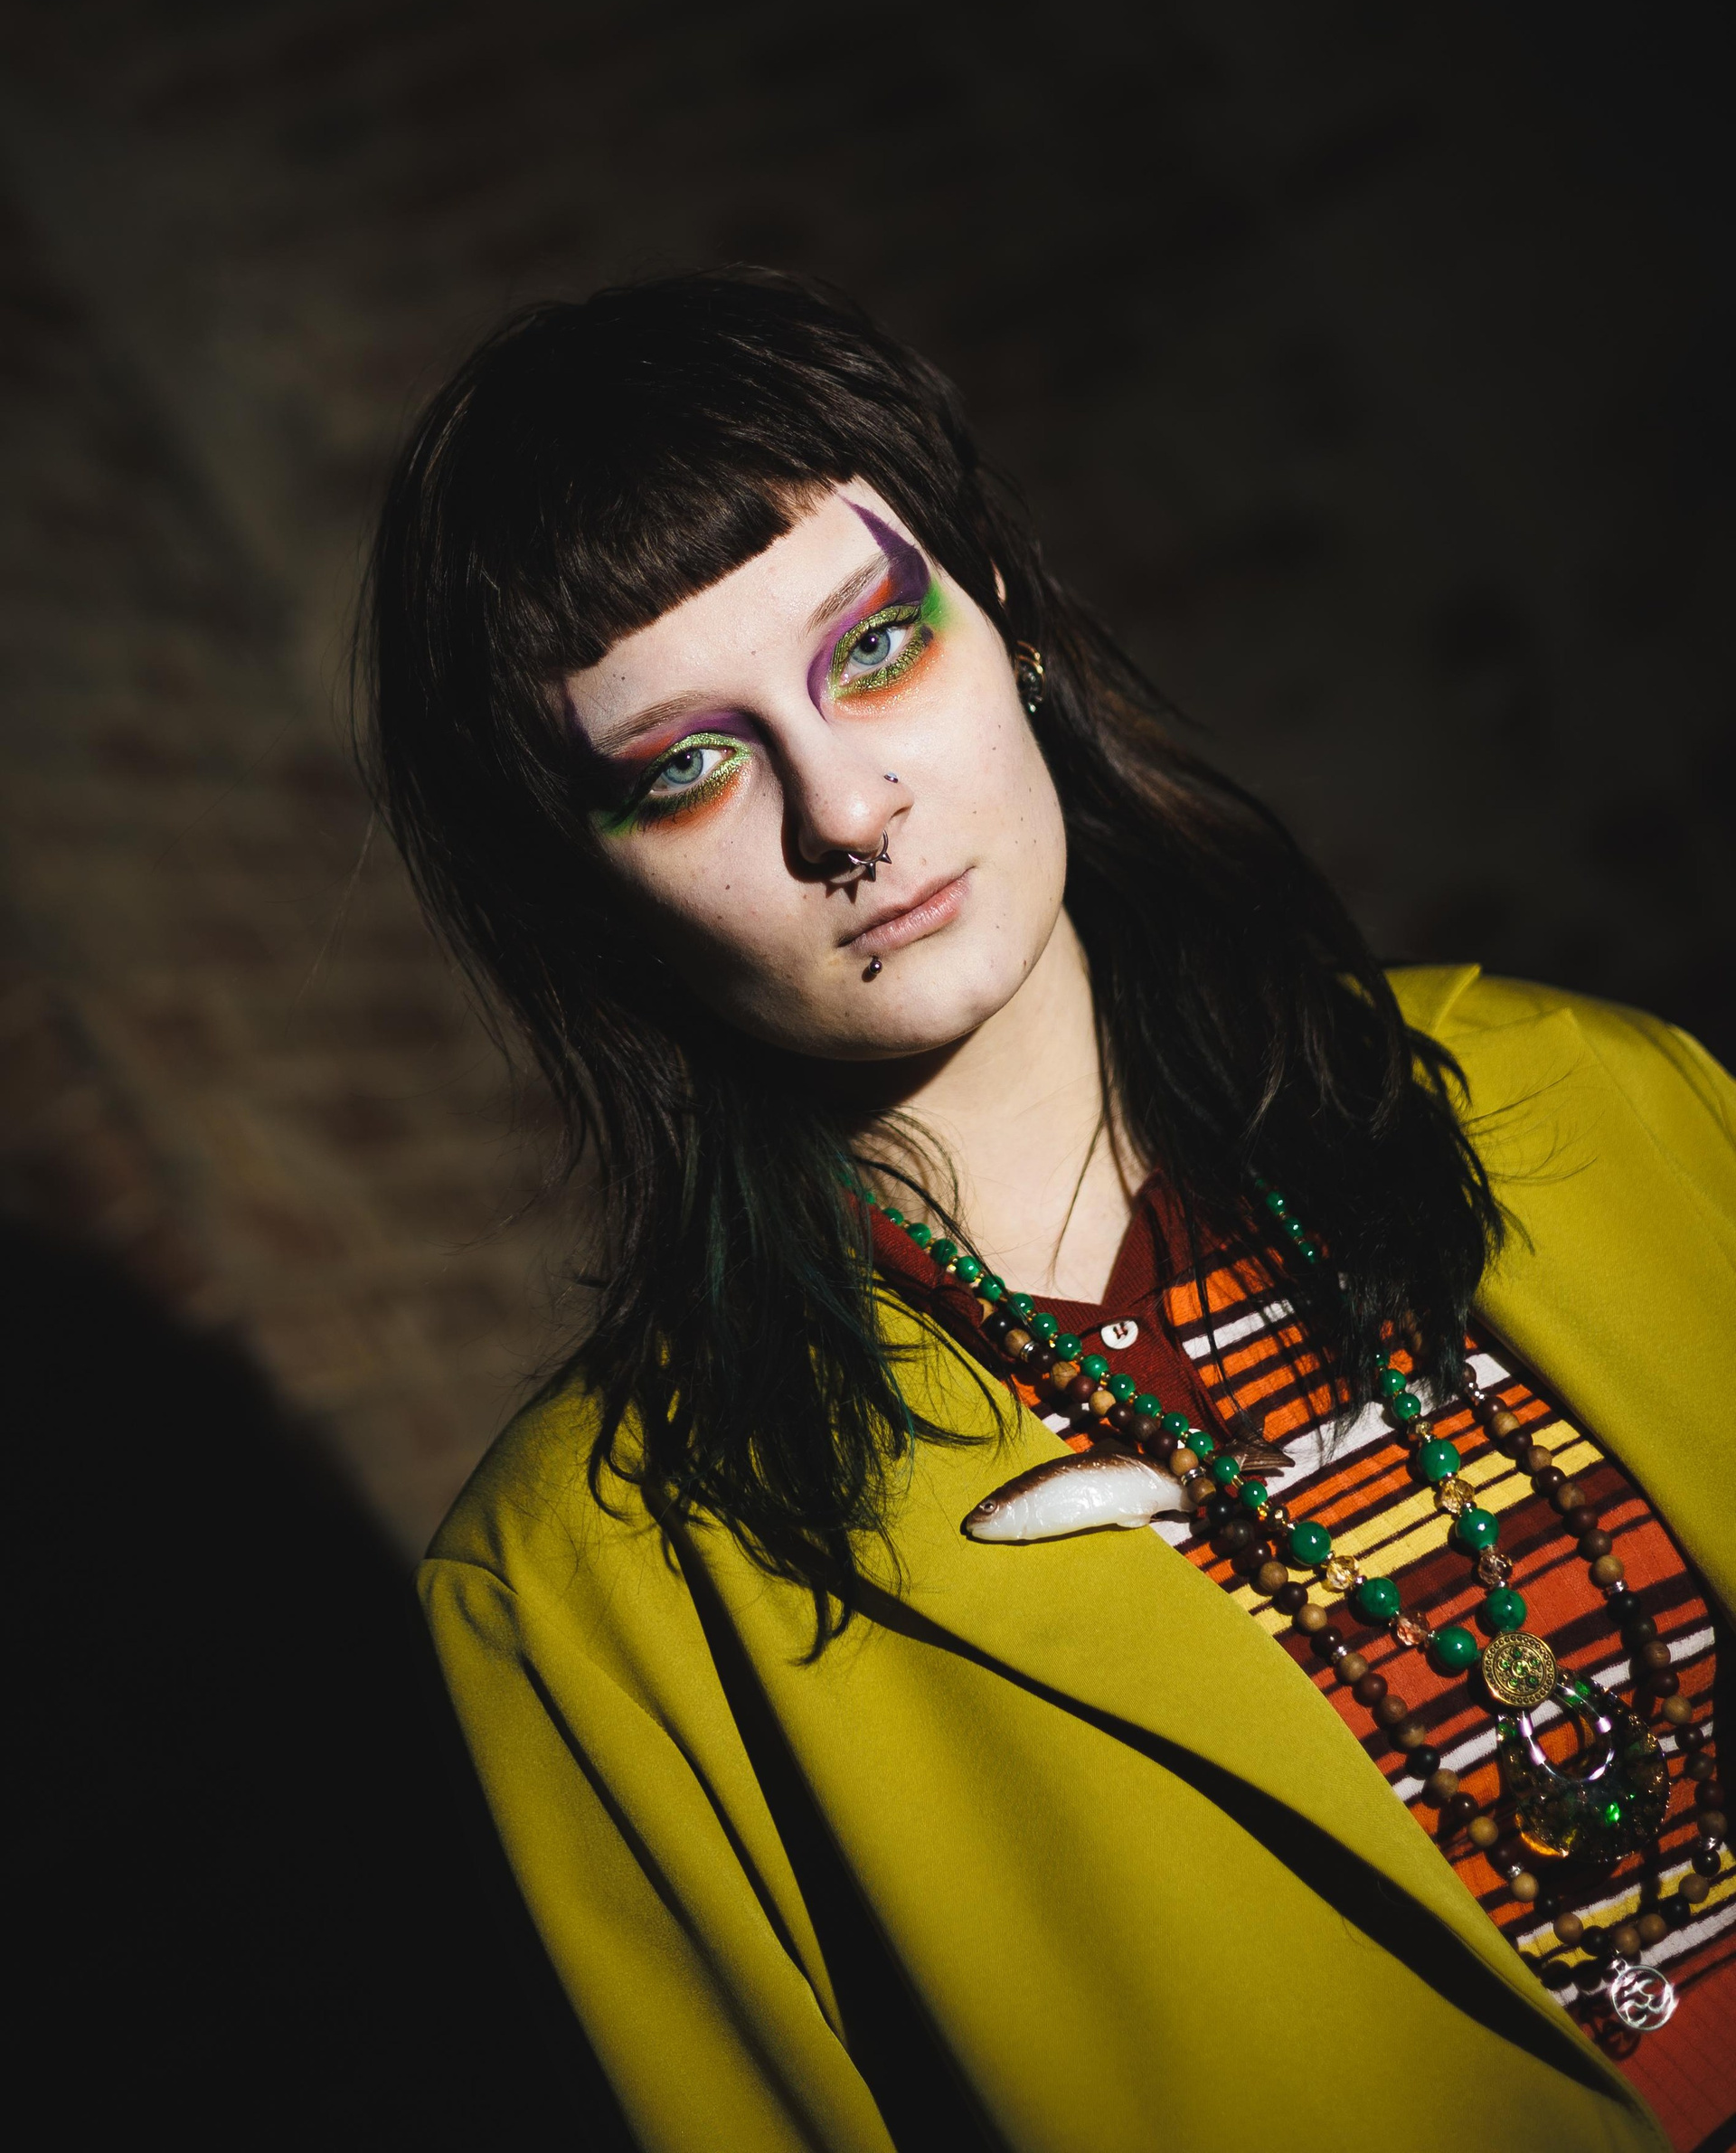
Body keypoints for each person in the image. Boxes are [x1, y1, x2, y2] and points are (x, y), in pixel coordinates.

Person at [362, 270, 1733, 2153]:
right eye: (686, 767)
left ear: (1000, 612)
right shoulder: (592, 1596)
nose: (845, 809)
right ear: (577, 889)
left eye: (872, 650)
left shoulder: (1595, 1096)